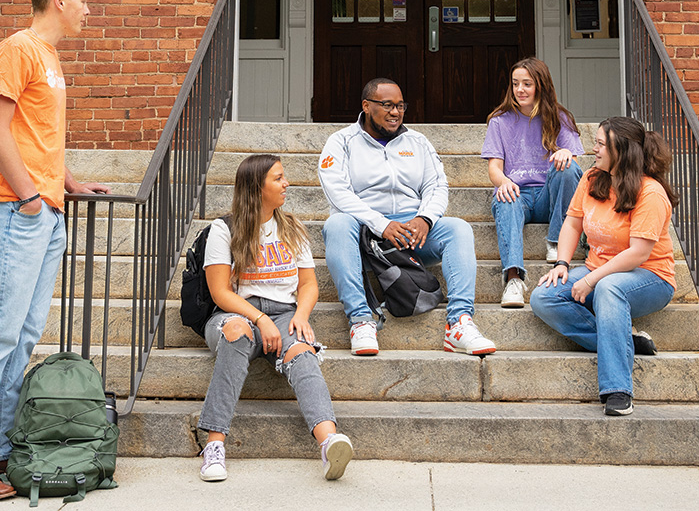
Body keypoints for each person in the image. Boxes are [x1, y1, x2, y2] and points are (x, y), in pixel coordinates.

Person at [0, 0, 111, 500]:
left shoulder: (51, 58)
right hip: (16, 212)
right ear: (59, 0)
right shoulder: (16, 49)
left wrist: (67, 183)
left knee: (19, 340)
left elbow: (38, 136)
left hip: (45, 212)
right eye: (84, 0)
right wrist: (31, 198)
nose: (89, 10)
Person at [197, 154, 353, 482]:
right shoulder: (224, 230)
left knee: (302, 352)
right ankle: (214, 445)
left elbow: (309, 284)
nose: (286, 184)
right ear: (257, 188)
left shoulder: (291, 227)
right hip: (234, 313)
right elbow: (220, 292)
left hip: (284, 313)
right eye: (278, 178)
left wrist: (301, 316)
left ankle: (329, 442)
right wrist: (259, 318)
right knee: (237, 332)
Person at [319, 78, 496, 356]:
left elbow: (436, 185)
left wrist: (424, 218)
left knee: (458, 228)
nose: (395, 112)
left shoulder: (417, 141)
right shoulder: (341, 142)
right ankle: (361, 320)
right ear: (366, 106)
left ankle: (459, 323)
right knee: (336, 224)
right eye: (387, 105)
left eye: (400, 106)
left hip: (412, 232)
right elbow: (337, 192)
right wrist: (381, 223)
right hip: (366, 235)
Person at [530, 117, 677, 416]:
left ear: (620, 150)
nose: (592, 149)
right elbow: (572, 223)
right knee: (543, 296)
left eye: (599, 144)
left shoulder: (650, 193)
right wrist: (562, 263)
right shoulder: (592, 178)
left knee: (610, 288)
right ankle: (623, 341)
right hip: (600, 270)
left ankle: (618, 389)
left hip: (650, 277)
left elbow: (638, 253)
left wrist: (591, 279)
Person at [482, 57, 584, 308]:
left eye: (527, 84)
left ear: (541, 85)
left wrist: (564, 153)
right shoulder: (499, 121)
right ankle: (514, 279)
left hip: (551, 195)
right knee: (503, 197)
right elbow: (494, 168)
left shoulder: (560, 117)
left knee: (569, 168)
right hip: (519, 195)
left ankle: (556, 241)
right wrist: (504, 181)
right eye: (515, 83)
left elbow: (574, 163)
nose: (520, 90)